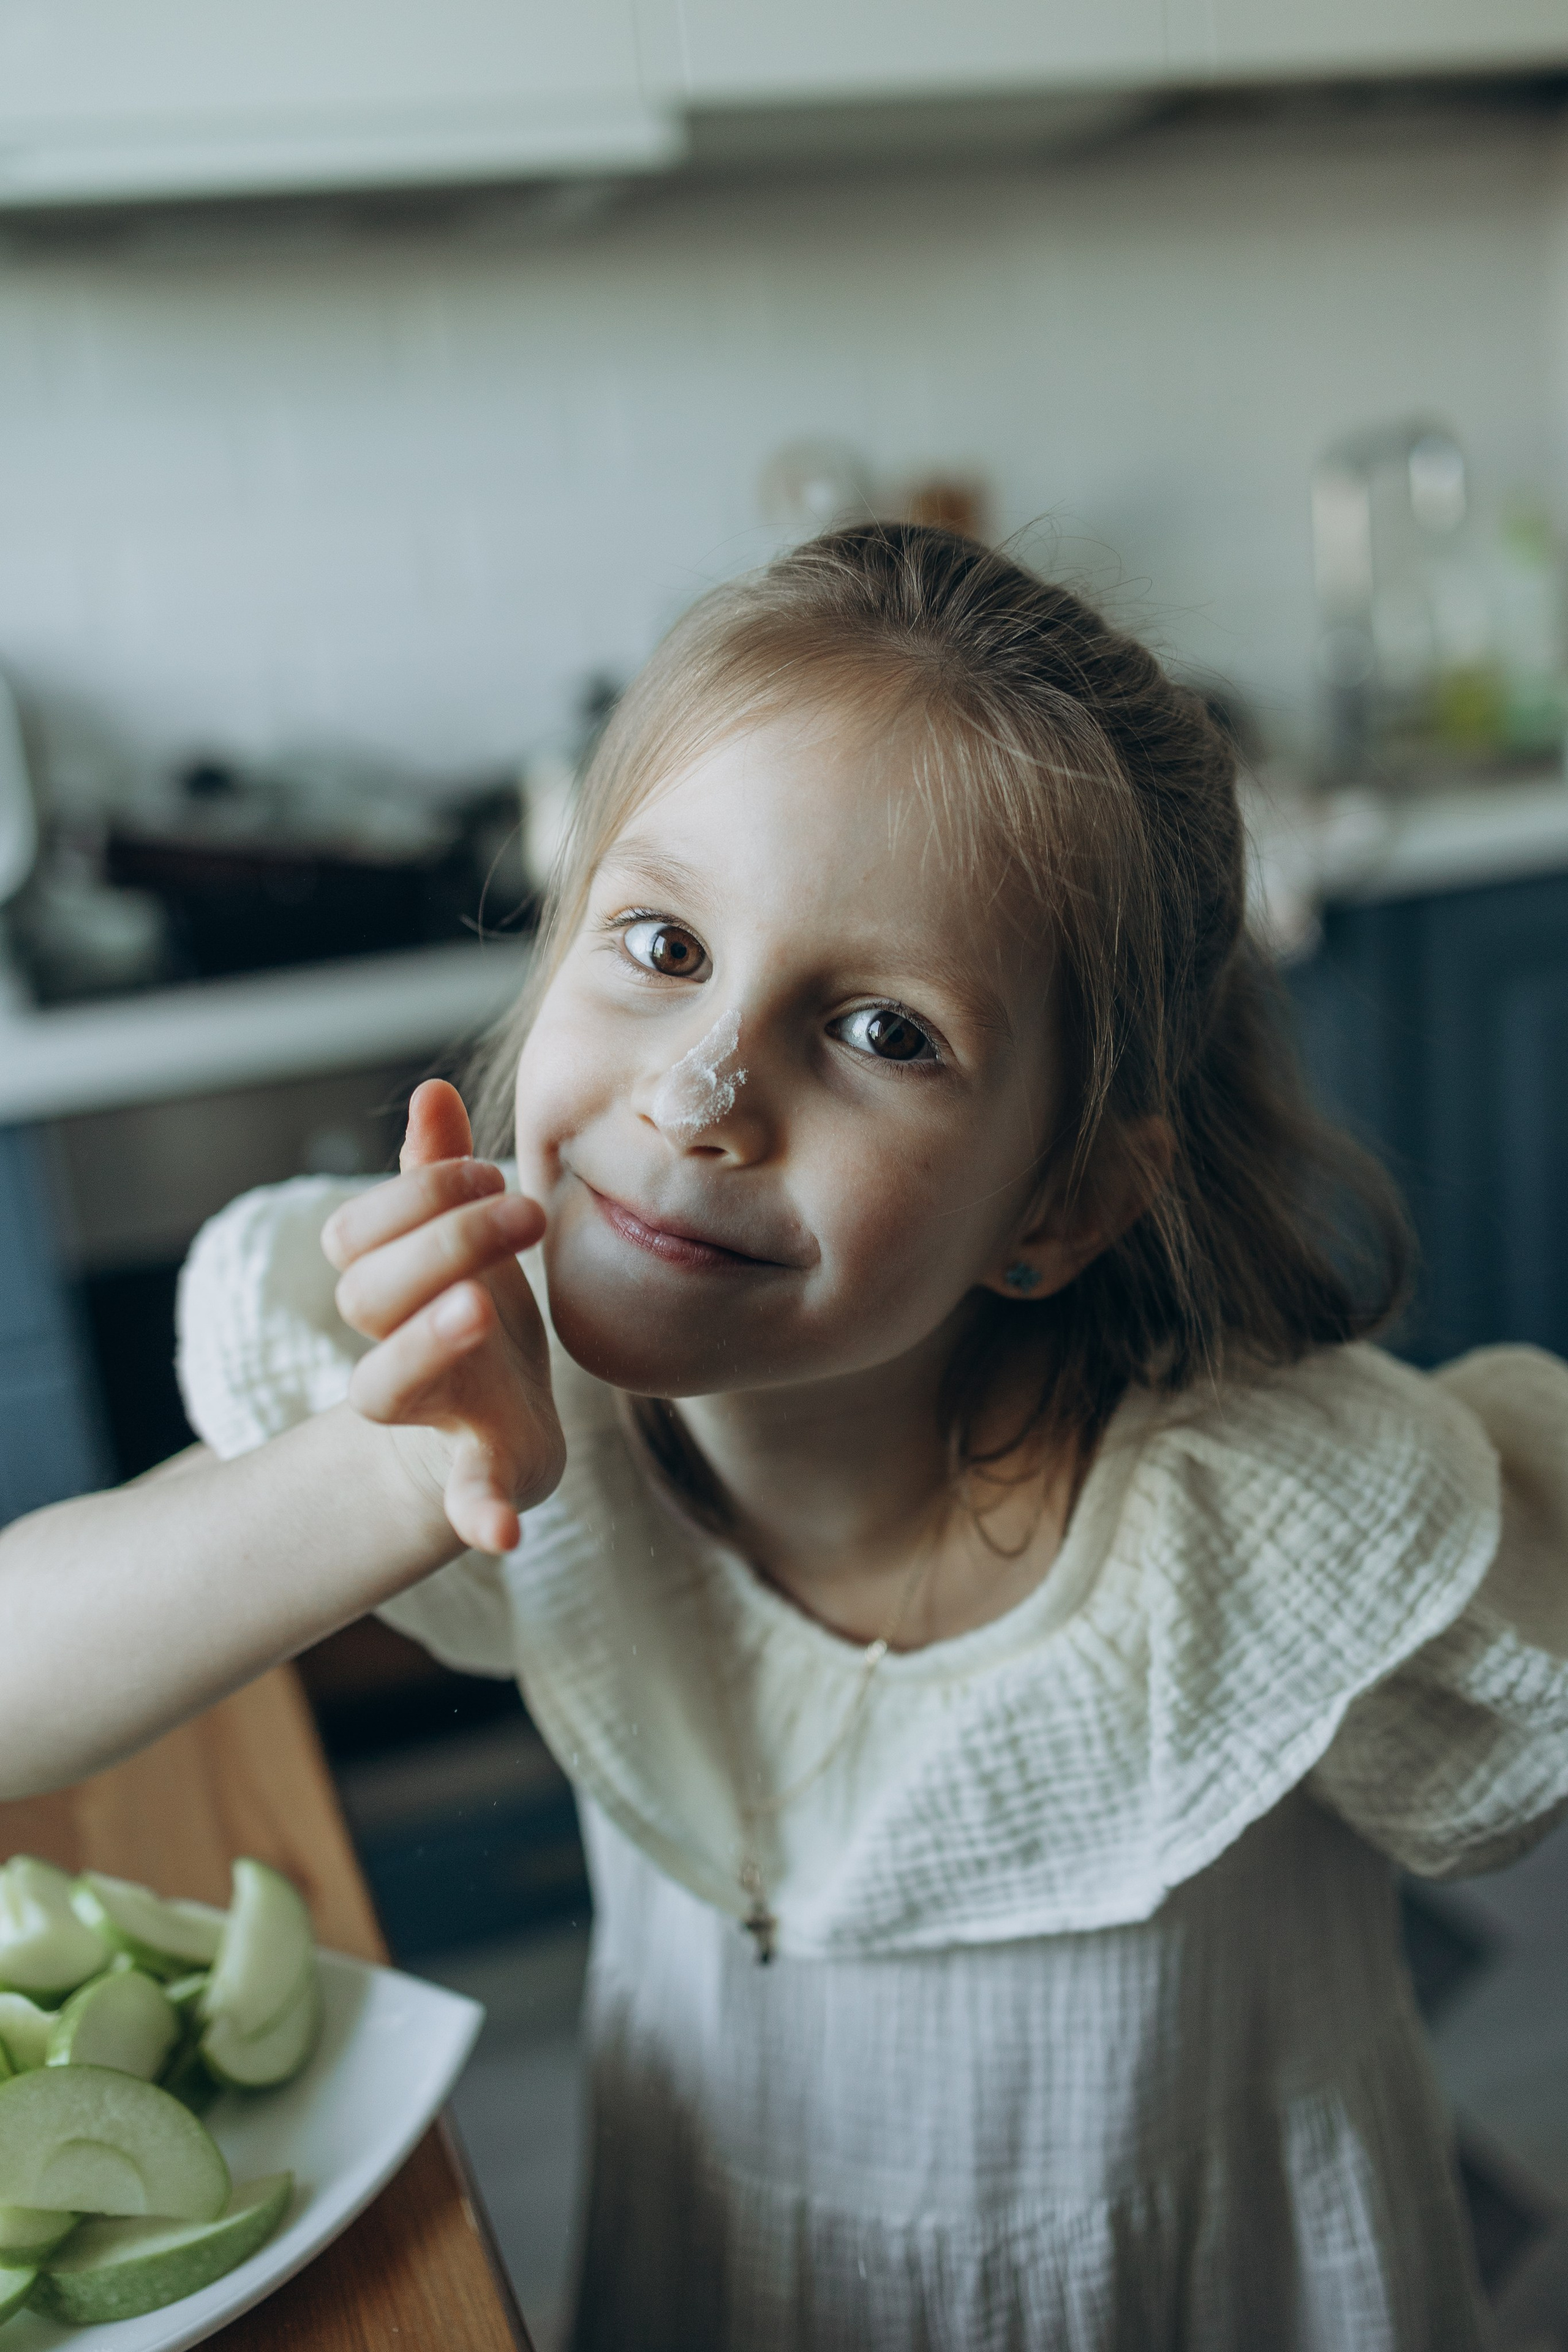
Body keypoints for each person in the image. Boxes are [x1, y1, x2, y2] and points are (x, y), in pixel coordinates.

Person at [3, 523, 1566, 2350]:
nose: (700, 1088)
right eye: (659, 944)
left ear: (1062, 1195)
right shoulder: (506, 1417)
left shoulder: (1286, 1523)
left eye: (884, 1030)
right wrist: (389, 1470)